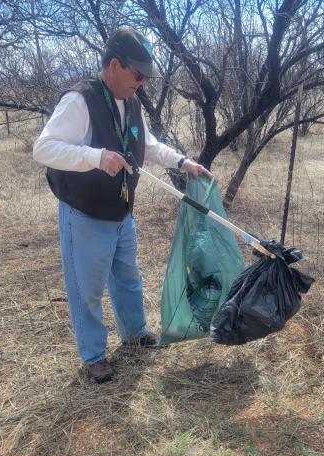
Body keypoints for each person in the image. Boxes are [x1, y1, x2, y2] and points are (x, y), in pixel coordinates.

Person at [33, 27, 211, 383]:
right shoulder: (79, 100)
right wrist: (96, 157)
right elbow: (44, 148)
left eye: (146, 76)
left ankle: (135, 333)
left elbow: (147, 145)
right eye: (138, 74)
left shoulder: (130, 101)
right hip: (85, 213)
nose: (143, 82)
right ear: (115, 64)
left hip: (121, 211)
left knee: (128, 277)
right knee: (87, 289)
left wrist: (182, 162)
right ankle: (94, 356)